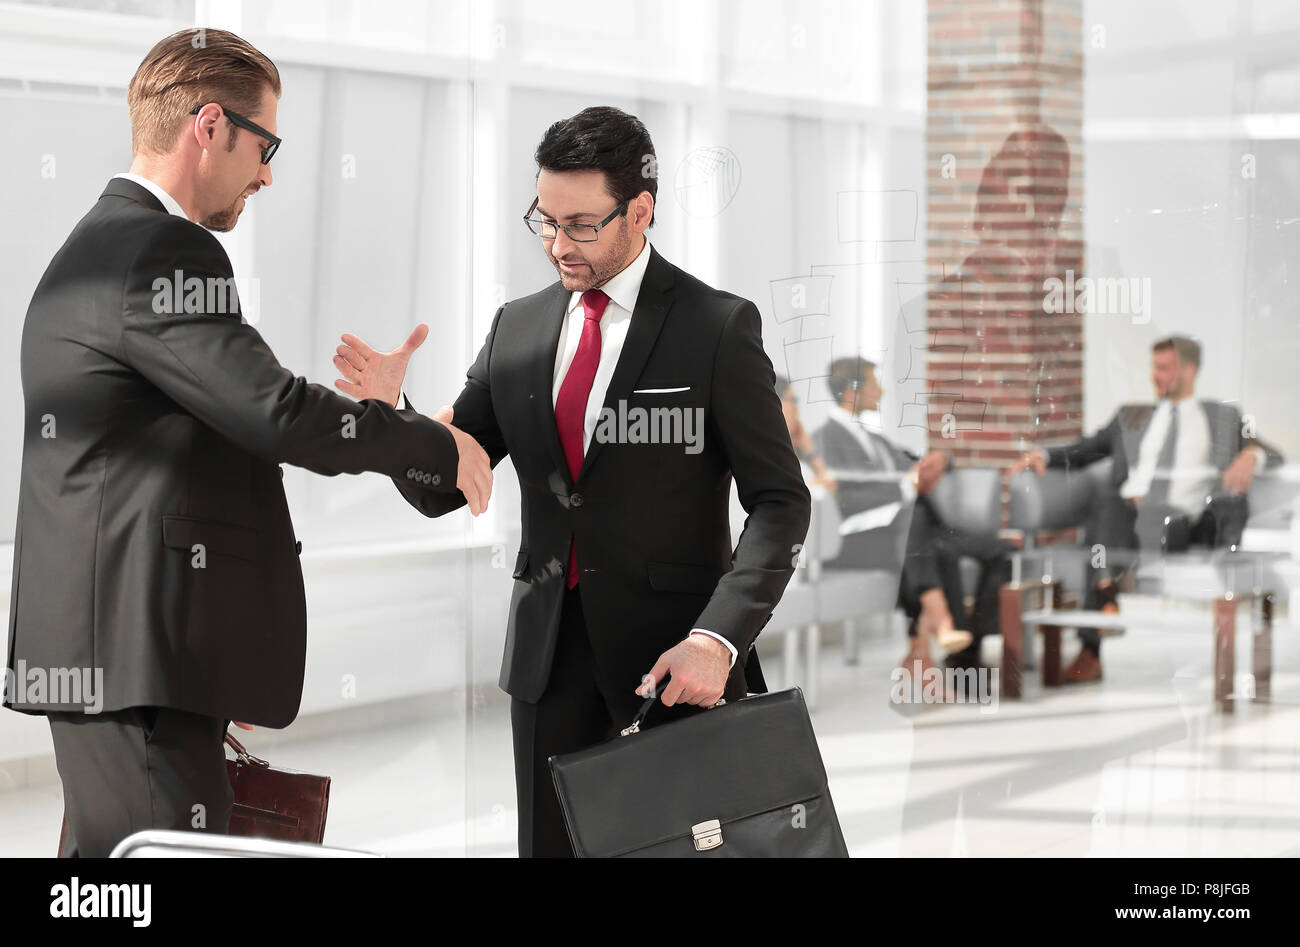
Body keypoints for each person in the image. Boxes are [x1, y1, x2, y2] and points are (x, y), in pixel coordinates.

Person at [2, 29, 492, 858]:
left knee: (107, 884)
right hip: (136, 660)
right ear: (209, 125)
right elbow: (271, 409)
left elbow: (203, 432)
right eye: (265, 144)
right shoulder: (161, 246)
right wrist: (426, 439)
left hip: (113, 654)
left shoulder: (96, 245)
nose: (268, 172)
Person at [335, 107, 811, 857]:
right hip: (547, 667)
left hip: (675, 667)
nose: (558, 245)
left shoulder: (715, 328)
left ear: (641, 211)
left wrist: (718, 639)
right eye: (545, 220)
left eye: (582, 225)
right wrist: (392, 419)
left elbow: (781, 502)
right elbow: (442, 486)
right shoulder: (516, 329)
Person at [1007, 334, 1283, 682]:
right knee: (1109, 501)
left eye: (1165, 369)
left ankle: (1099, 623)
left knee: (1118, 520)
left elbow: (1274, 452)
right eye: (1155, 368)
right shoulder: (1132, 416)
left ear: (1190, 370)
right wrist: (1044, 455)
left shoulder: (1220, 415)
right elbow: (1087, 448)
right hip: (1126, 519)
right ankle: (1106, 596)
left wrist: (1251, 454)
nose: (1156, 376)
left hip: (1180, 523)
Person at [814, 357, 1011, 674]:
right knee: (917, 519)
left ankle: (968, 645)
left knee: (1002, 551)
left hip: (914, 533)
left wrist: (940, 461)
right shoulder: (824, 441)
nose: (881, 391)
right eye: (873, 383)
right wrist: (906, 487)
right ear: (852, 392)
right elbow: (847, 499)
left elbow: (914, 468)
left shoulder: (875, 439)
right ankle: (946, 632)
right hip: (863, 539)